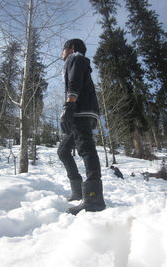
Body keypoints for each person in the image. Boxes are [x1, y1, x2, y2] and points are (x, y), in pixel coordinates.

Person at [57, 38, 106, 215]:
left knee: (86, 149)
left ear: (70, 48)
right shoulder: (76, 60)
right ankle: (78, 191)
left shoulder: (75, 58)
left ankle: (93, 199)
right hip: (82, 110)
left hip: (80, 110)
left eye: (63, 49)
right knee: (63, 151)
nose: (61, 53)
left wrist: (69, 105)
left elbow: (74, 81)